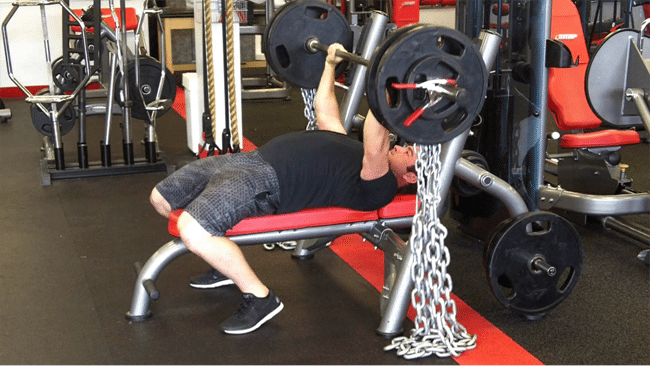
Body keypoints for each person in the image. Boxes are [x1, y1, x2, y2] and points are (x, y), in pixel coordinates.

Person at [149, 43, 417, 335]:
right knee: (161, 197)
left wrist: (387, 82)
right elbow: (325, 112)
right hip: (251, 159)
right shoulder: (352, 149)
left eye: (409, 153)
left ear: (412, 177)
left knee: (193, 229)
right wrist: (330, 64)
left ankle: (260, 297)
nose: (402, 147)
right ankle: (223, 264)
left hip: (268, 182)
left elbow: (377, 139)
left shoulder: (381, 184)